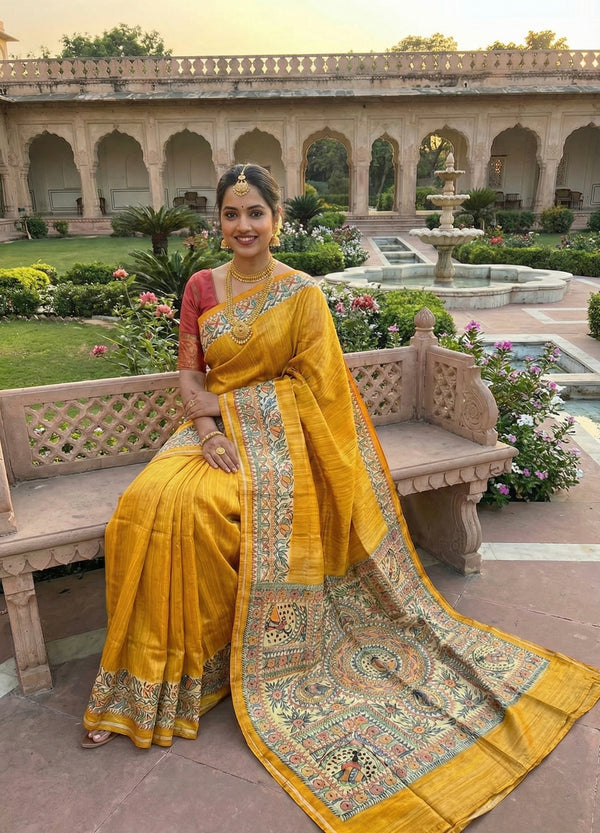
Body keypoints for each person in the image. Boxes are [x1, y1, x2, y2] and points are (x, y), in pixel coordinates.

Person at [82, 164, 600, 833]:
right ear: (220, 221)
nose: (243, 225)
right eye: (232, 214)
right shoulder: (202, 286)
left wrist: (236, 412)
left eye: (256, 213)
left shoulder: (301, 293)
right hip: (211, 435)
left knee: (202, 511)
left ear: (277, 220)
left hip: (285, 442)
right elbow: (191, 377)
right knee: (145, 505)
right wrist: (209, 430)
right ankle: (155, 676)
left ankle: (211, 662)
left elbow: (319, 389)